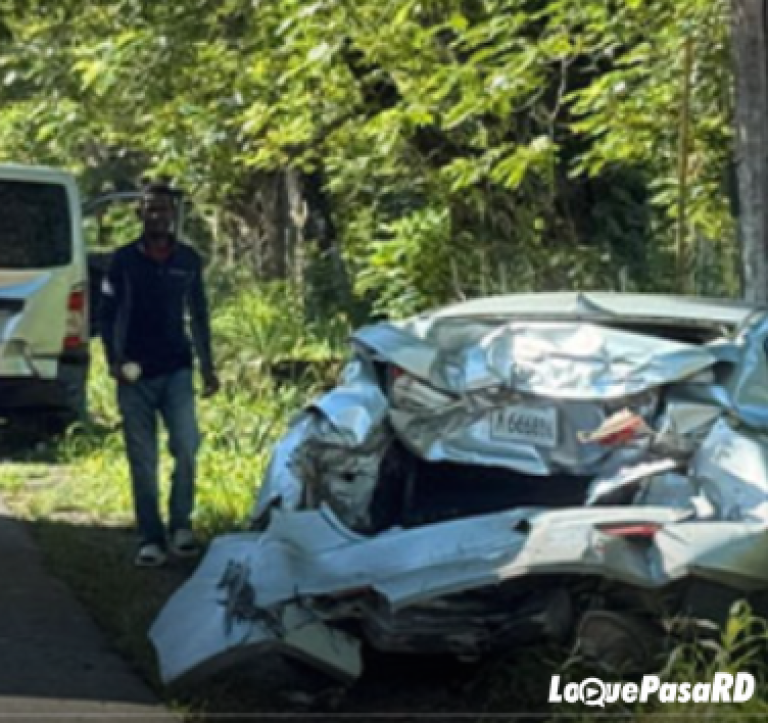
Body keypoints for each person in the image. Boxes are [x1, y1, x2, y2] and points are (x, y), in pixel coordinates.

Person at [101, 182, 220, 567]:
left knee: (186, 446)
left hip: (177, 369)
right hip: (134, 374)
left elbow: (199, 313)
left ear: (174, 215)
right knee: (143, 458)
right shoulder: (122, 260)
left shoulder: (187, 259)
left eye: (165, 209)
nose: (158, 216)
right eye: (151, 209)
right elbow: (106, 314)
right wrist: (113, 361)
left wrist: (208, 367)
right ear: (140, 214)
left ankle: (181, 526)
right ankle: (150, 537)